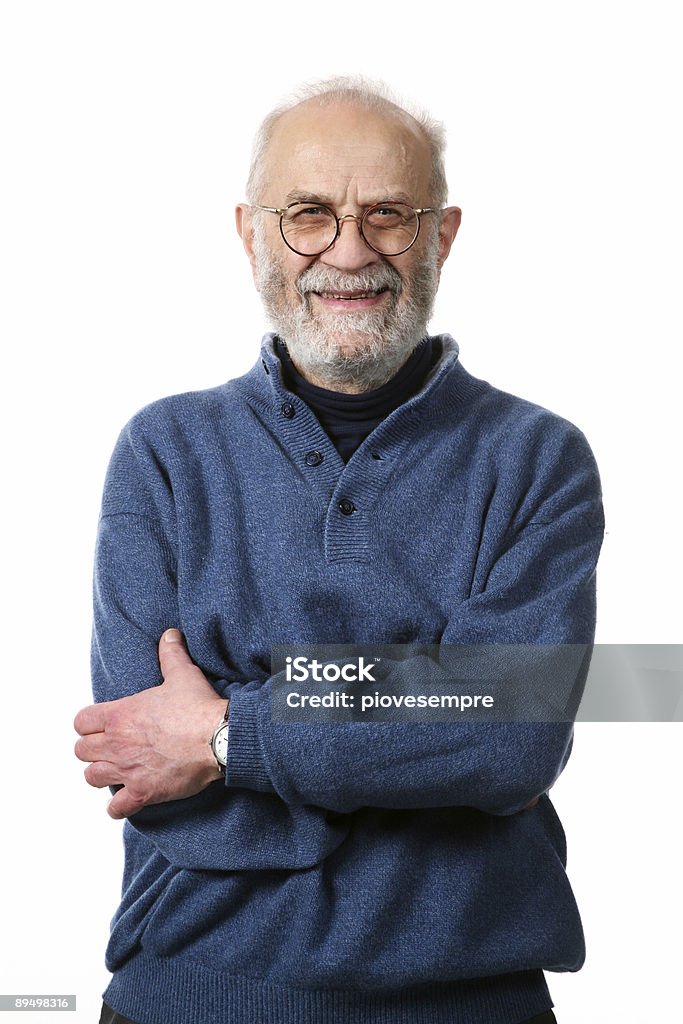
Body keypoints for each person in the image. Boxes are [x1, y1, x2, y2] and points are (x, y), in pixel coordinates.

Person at [74, 75, 604, 1024]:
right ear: (249, 232)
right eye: (308, 215)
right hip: (187, 998)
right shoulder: (164, 452)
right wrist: (433, 706)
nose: (348, 251)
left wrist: (229, 734)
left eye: (388, 216)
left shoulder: (537, 459)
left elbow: (510, 741)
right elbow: (144, 765)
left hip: (469, 1004)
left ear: (439, 236)